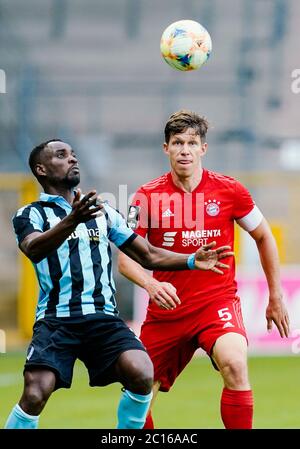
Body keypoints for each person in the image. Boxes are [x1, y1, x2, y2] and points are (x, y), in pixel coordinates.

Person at [4, 139, 233, 430]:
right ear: (42, 168)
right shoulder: (30, 214)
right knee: (36, 392)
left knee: (141, 372)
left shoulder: (102, 212)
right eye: (62, 155)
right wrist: (72, 220)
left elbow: (146, 254)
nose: (73, 159)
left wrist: (190, 260)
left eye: (74, 154)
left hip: (102, 319)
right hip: (56, 321)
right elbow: (34, 248)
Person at [118, 110, 290, 429]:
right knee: (137, 397)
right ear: (166, 148)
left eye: (192, 143)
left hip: (216, 303)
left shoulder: (229, 190)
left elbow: (264, 235)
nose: (185, 149)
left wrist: (275, 296)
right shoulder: (145, 198)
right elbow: (125, 259)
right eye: (178, 142)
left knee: (235, 364)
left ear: (203, 149)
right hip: (166, 312)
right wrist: (151, 285)